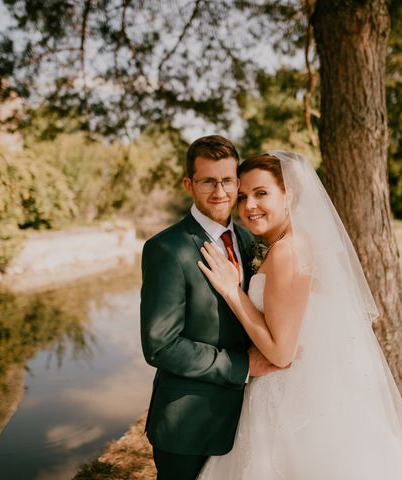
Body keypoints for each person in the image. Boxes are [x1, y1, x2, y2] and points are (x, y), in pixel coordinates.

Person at [196, 151, 402, 479]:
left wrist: (232, 291)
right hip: (305, 391)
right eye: (243, 197)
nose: (249, 205)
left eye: (261, 193)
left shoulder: (287, 252)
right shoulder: (300, 243)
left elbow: (281, 352)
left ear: (288, 195)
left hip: (288, 400)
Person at [140, 135, 282, 480]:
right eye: (207, 181)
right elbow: (160, 345)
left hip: (249, 418)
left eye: (228, 180)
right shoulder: (167, 249)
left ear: (238, 182)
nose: (220, 191)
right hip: (189, 424)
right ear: (189, 184)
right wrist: (242, 365)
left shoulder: (251, 240)